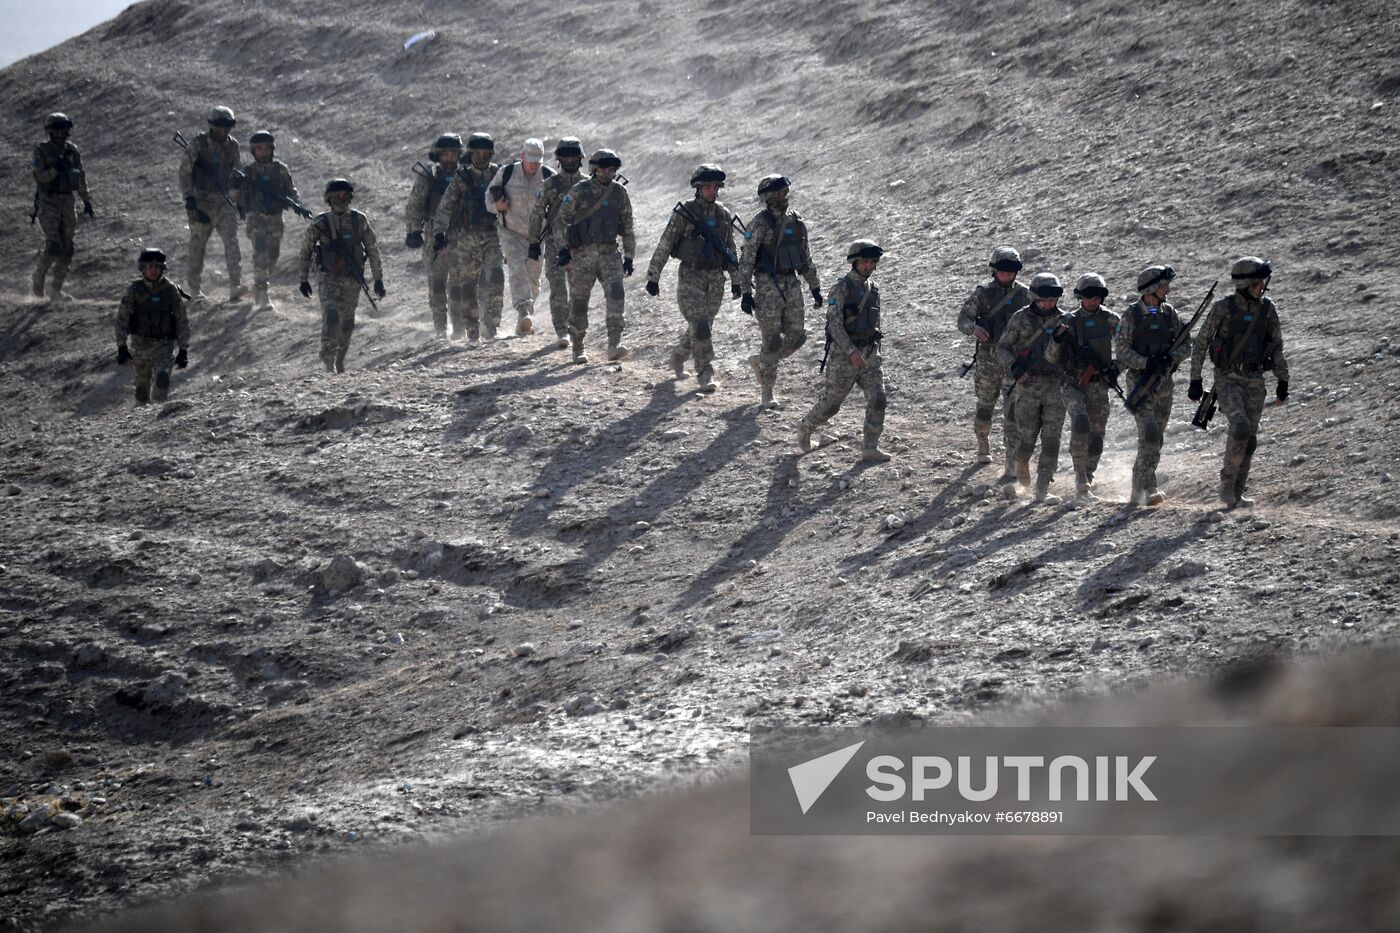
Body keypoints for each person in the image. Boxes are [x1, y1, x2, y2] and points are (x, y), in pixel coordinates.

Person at [1189, 256, 1289, 508]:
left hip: (1256, 380)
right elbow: (1201, 343)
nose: (1262, 287)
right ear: (1245, 284)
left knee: (1251, 439)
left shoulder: (1267, 309)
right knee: (1240, 426)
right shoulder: (1223, 308)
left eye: (1263, 283)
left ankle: (1237, 490)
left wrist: (1282, 380)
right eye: (1258, 283)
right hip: (1228, 379)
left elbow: (1276, 346)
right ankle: (1226, 485)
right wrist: (1195, 379)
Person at [645, 164, 741, 392]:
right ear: (698, 188)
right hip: (691, 276)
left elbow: (730, 249)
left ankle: (679, 355)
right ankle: (705, 373)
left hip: (716, 279)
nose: (712, 191)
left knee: (703, 325)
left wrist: (737, 280)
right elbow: (666, 243)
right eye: (707, 187)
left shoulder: (723, 214)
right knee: (700, 326)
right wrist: (653, 276)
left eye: (716, 187)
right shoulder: (684, 213)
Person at [797, 240, 890, 463]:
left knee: (878, 398)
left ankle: (870, 447)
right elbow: (834, 326)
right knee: (831, 405)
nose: (870, 266)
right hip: (844, 356)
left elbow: (875, 323)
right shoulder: (841, 288)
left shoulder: (873, 289)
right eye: (865, 262)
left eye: (873, 262)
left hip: (869, 353)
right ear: (855, 262)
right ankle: (806, 427)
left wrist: (874, 351)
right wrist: (851, 352)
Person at [737, 175, 821, 408]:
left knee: (797, 336)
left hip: (792, 284)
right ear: (767, 197)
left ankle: (762, 361)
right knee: (772, 341)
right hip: (767, 287)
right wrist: (745, 292)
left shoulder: (797, 222)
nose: (784, 196)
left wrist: (814, 287)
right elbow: (746, 260)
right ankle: (767, 392)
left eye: (785, 192)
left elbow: (805, 257)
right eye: (778, 192)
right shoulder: (758, 224)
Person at [1114, 264, 1189, 507]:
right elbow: (1122, 351)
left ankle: (1140, 488)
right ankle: (1148, 487)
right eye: (1164, 286)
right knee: (1149, 434)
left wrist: (1171, 358)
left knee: (1156, 440)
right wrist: (1146, 362)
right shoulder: (1131, 316)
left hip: (1164, 387)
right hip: (1141, 385)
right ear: (1152, 289)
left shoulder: (1170, 314)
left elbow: (1185, 345)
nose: (1167, 290)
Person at [957, 246, 1031, 481]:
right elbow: (963, 319)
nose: (1007, 275)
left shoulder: (1026, 295)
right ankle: (982, 442)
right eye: (1002, 271)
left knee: (1013, 411)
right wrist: (974, 329)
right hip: (989, 359)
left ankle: (1011, 462)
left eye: (1011, 271)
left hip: (1015, 360)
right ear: (994, 271)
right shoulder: (983, 294)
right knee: (986, 405)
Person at [555, 148, 636, 363]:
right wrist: (563, 250)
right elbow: (561, 221)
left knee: (616, 293)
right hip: (582, 255)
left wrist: (629, 256)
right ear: (595, 169)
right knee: (580, 303)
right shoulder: (579, 191)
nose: (609, 172)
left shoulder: (619, 192)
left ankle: (614, 344)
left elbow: (628, 225)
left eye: (613, 168)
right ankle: (578, 347)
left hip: (610, 252)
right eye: (605, 168)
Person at [297, 179, 385, 374]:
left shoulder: (359, 220)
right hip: (328, 277)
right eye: (337, 195)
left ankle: (339, 359)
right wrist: (303, 278)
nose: (342, 198)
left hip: (352, 279)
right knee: (331, 314)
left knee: (347, 322)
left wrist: (378, 279)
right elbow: (306, 250)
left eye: (345, 195)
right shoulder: (321, 223)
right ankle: (328, 361)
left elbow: (372, 248)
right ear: (329, 198)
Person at [997, 272, 1069, 502]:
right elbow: (1003, 348)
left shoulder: (1066, 320)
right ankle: (1021, 460)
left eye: (1052, 299)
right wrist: (1015, 368)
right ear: (1034, 298)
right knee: (1027, 435)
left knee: (1052, 437)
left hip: (1056, 386)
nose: (1048, 304)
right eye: (1043, 299)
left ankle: (1043, 487)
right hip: (1027, 385)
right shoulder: (1020, 319)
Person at [431, 132, 504, 343]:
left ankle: (491, 324)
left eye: (486, 153)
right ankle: (472, 330)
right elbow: (445, 207)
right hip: (466, 239)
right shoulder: (461, 178)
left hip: (493, 236)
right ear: (470, 154)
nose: (481, 157)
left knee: (496, 275)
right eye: (477, 153)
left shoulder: (499, 174)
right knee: (468, 286)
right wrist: (439, 234)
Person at [1057, 273, 1121, 502]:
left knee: (1097, 436)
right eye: (1088, 297)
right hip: (1073, 383)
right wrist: (1056, 341)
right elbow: (1050, 356)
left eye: (1097, 296)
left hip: (1099, 385)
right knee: (1080, 423)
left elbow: (1126, 345)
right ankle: (1080, 478)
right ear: (1080, 297)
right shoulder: (1068, 322)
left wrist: (1116, 368)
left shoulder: (1112, 320)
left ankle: (1089, 475)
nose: (1093, 301)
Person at [178, 105, 245, 302]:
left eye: (226, 127)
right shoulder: (198, 144)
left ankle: (235, 285)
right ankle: (195, 289)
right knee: (198, 245)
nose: (222, 131)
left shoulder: (233, 146)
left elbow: (237, 173)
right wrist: (189, 198)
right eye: (219, 126)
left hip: (224, 202)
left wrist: (238, 200)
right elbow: (184, 173)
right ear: (212, 126)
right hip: (201, 202)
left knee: (232, 242)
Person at [488, 138, 553, 335]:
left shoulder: (549, 176)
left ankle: (525, 318)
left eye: (537, 162)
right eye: (530, 160)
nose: (534, 166)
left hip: (537, 235)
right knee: (516, 268)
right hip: (511, 232)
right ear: (522, 156)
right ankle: (524, 309)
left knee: (533, 276)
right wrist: (495, 207)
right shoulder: (506, 173)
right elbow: (488, 196)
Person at [527, 137, 585, 349]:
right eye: (565, 157)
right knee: (559, 288)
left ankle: (576, 330)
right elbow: (536, 215)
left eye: (574, 156)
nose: (570, 160)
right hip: (553, 244)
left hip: (581, 245)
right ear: (559, 159)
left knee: (579, 289)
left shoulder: (589, 184)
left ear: (581, 159)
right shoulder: (550, 185)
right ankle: (562, 331)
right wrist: (533, 243)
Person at [238, 130, 305, 311]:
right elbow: (237, 192)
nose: (262, 152)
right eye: (258, 149)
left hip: (275, 218)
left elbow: (291, 190)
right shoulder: (248, 171)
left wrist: (297, 204)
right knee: (259, 248)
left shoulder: (280, 169)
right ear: (253, 151)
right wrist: (237, 187)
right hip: (256, 217)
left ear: (272, 149)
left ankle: (259, 283)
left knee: (273, 254)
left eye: (266, 148)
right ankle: (262, 293)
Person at [405, 133, 464, 338]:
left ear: (459, 155)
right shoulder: (428, 177)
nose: (449, 158)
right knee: (437, 283)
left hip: (461, 233)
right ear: (438, 155)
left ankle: (458, 328)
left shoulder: (465, 175)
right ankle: (440, 328)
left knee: (458, 283)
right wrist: (413, 231)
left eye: (453, 154)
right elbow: (415, 204)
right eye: (445, 154)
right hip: (433, 233)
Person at [114, 248, 189, 406]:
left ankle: (157, 414)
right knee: (142, 389)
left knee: (162, 377)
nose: (154, 271)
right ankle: (141, 416)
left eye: (157, 267)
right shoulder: (135, 290)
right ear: (143, 268)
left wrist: (183, 350)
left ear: (162, 268)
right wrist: (121, 346)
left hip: (164, 344)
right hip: (140, 344)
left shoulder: (170, 290)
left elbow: (181, 319)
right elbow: (122, 318)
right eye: (150, 267)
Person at [30, 112, 92, 302]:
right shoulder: (41, 151)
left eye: (65, 129)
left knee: (68, 247)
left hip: (67, 201)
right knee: (54, 245)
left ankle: (56, 290)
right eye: (58, 130)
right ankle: (39, 275)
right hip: (48, 202)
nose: (63, 133)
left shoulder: (72, 151)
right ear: (50, 132)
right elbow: (39, 176)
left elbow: (80, 177)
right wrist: (56, 168)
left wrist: (86, 200)